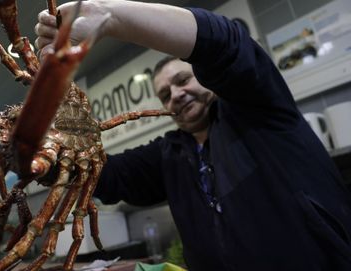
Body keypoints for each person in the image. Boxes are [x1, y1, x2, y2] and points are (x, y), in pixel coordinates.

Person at [34, 1, 351, 270]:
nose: (177, 95)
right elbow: (106, 173)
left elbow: (227, 47)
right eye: (165, 95)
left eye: (184, 80)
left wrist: (108, 15)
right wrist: (36, 157)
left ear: (208, 80)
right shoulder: (169, 153)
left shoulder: (257, 109)